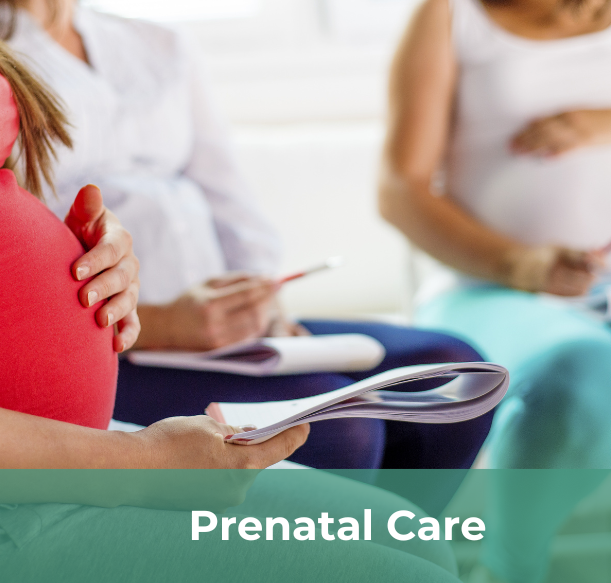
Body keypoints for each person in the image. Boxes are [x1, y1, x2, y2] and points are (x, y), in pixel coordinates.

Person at [0, 0, 493, 486]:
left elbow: (229, 197)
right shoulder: (10, 73)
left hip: (228, 333)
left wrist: (263, 301)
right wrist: (167, 323)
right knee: (339, 426)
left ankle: (404, 557)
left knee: (451, 371)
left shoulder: (156, 44)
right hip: (125, 343)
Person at [0, 45, 463, 583]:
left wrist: (81, 256)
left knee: (412, 537)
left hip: (68, 451)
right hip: (31, 494)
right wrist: (144, 464)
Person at [379, 0, 611, 581]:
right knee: (588, 373)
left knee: (605, 364)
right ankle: (506, 568)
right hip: (489, 293)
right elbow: (400, 190)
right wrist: (519, 263)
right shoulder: (446, 10)